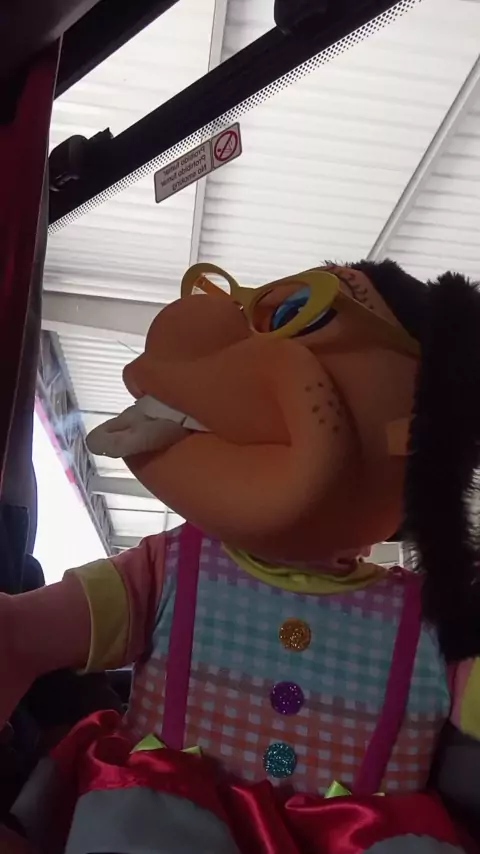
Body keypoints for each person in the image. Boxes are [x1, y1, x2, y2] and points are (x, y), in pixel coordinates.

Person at [1, 260, 480, 853]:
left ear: (424, 436)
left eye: (295, 312)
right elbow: (23, 632)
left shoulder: (434, 617)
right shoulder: (168, 570)